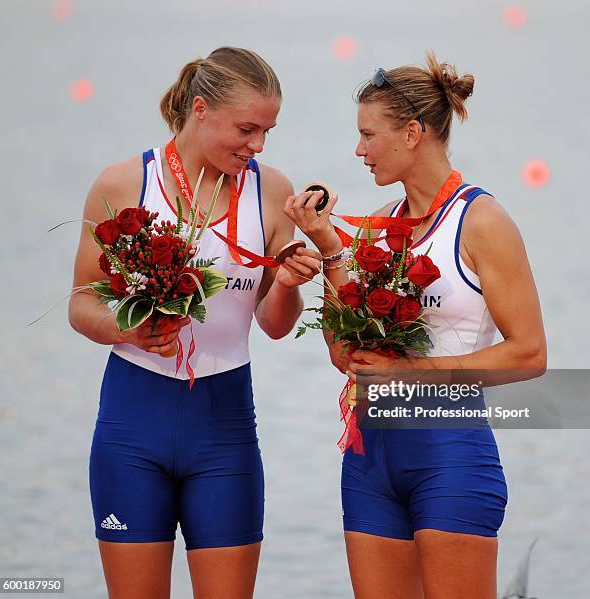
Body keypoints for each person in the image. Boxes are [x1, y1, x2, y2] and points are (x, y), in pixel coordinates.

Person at [284, 51, 547, 599]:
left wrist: (413, 373)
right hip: (368, 461)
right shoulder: (384, 228)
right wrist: (330, 248)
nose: (358, 151)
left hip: (447, 455)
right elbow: (343, 356)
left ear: (411, 133)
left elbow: (529, 354)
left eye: (368, 135)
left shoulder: (483, 221)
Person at [69, 47, 321, 599]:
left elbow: (276, 327)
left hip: (224, 431)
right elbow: (81, 303)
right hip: (133, 427)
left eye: (267, 132)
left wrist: (285, 282)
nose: (257, 145)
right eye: (247, 129)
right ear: (201, 109)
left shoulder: (272, 191)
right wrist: (126, 329)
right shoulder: (122, 185)